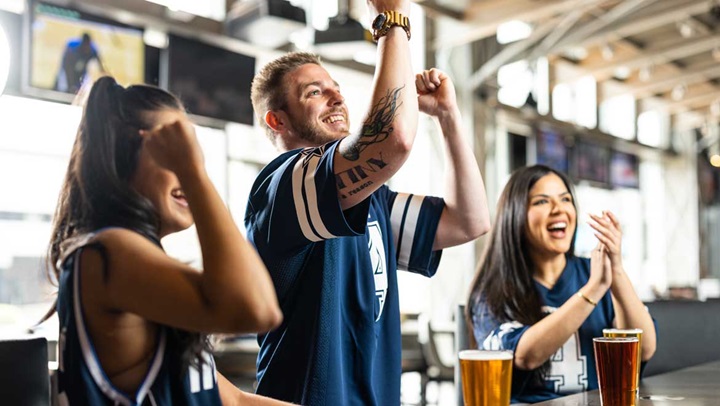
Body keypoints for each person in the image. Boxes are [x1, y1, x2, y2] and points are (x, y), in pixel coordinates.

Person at [245, 1, 491, 404]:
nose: (336, 99)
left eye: (337, 91)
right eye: (315, 93)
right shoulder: (281, 188)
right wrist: (392, 20)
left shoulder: (368, 199)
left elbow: (470, 220)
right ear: (278, 121)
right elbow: (392, 139)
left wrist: (447, 117)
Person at [45, 76, 293, 405]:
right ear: (123, 156)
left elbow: (230, 400)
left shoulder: (133, 258)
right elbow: (257, 308)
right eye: (174, 153)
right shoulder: (109, 252)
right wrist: (193, 174)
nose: (188, 165)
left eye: (187, 155)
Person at [466, 164, 657, 404]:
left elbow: (644, 349)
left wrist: (616, 270)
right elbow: (526, 355)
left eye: (566, 199)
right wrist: (593, 290)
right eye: (542, 202)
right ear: (514, 215)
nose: (559, 209)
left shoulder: (598, 273)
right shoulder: (491, 292)